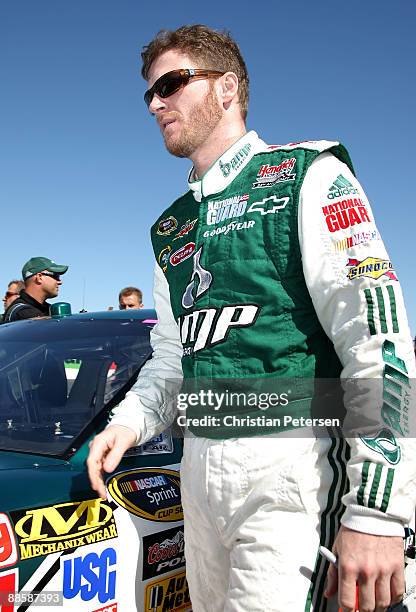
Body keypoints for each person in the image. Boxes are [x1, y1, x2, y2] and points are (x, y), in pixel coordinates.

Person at [87, 25, 416, 611]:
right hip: (198, 471)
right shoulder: (171, 227)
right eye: (149, 94)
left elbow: (378, 342)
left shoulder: (308, 176)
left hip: (294, 468)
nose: (156, 102)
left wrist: (376, 513)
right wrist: (128, 423)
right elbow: (172, 356)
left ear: (227, 88)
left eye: (171, 83)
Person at [2, 256, 68, 323]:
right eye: (56, 276)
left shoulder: (46, 309)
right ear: (39, 277)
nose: (60, 282)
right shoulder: (23, 313)